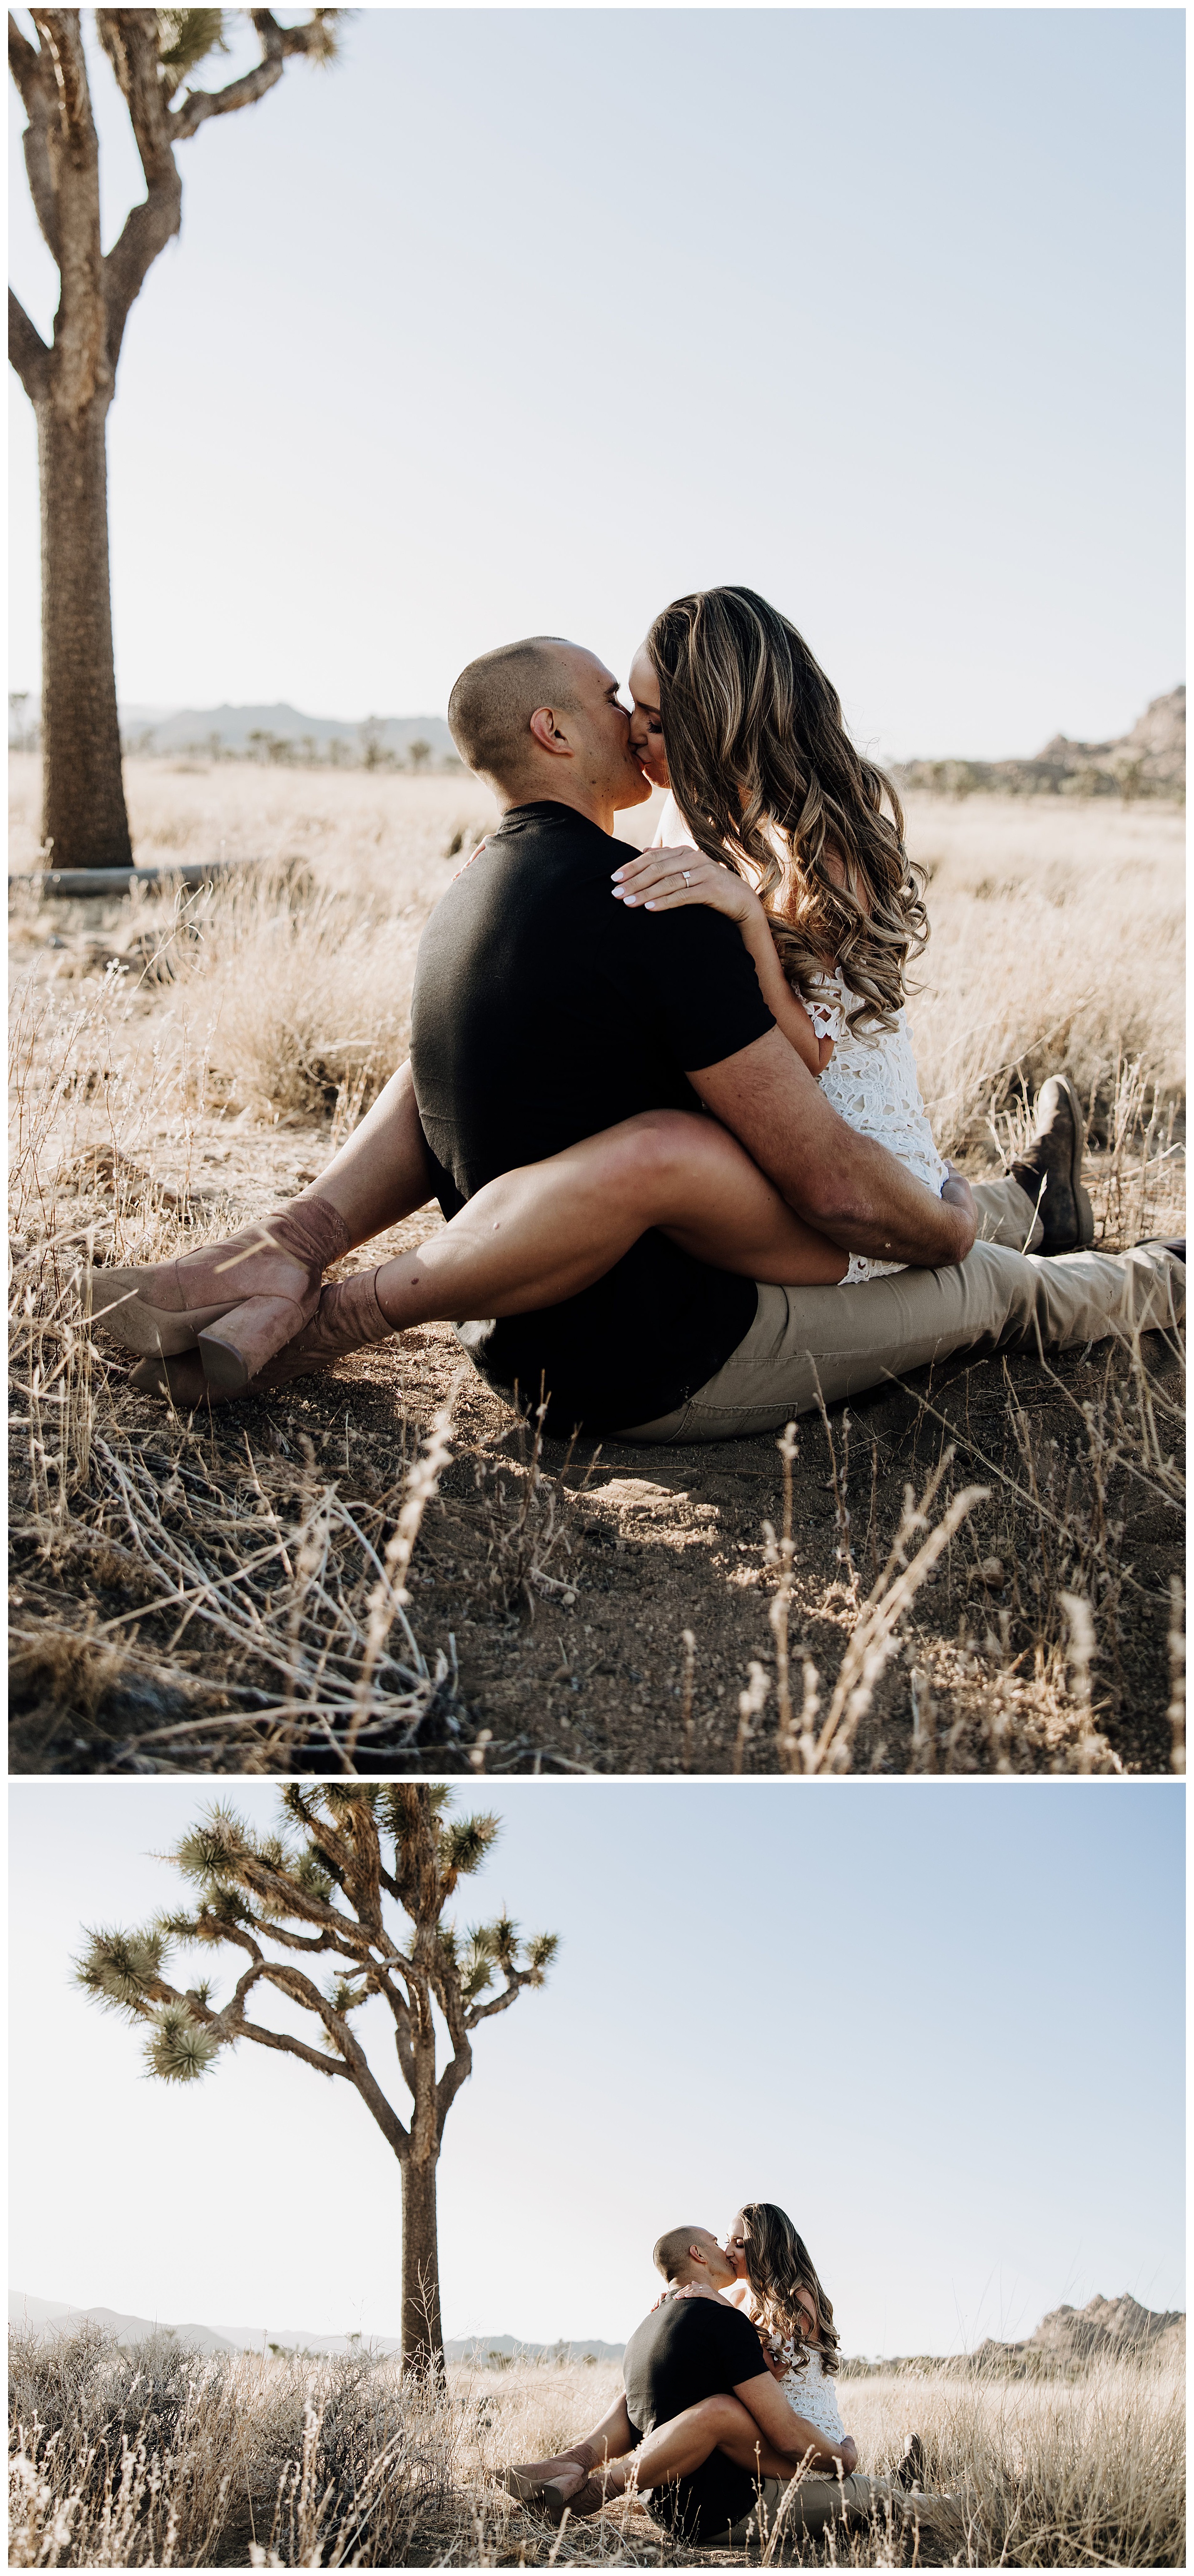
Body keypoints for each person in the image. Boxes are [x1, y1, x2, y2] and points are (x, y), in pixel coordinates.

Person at [89, 600, 1182, 1437]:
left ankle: (1034, 1200)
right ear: (555, 729)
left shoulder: (501, 886)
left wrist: (751, 931)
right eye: (625, 706)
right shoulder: (655, 891)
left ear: (713, 722)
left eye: (652, 714)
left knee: (941, 1195)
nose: (634, 728)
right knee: (982, 1280)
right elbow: (831, 1176)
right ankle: (1161, 1278)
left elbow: (822, 1083)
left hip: (764, 1196)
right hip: (718, 1287)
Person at [501, 2215, 930, 2553]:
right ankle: (592, 2486)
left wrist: (710, 2304)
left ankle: (575, 2460)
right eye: (722, 2240)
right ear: (699, 2253)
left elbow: (652, 2412)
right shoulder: (725, 2316)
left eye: (740, 2242)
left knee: (644, 2399)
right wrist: (843, 2458)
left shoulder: (655, 2328)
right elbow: (783, 2432)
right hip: (744, 2489)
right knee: (874, 2496)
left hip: (677, 2501)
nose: (728, 2249)